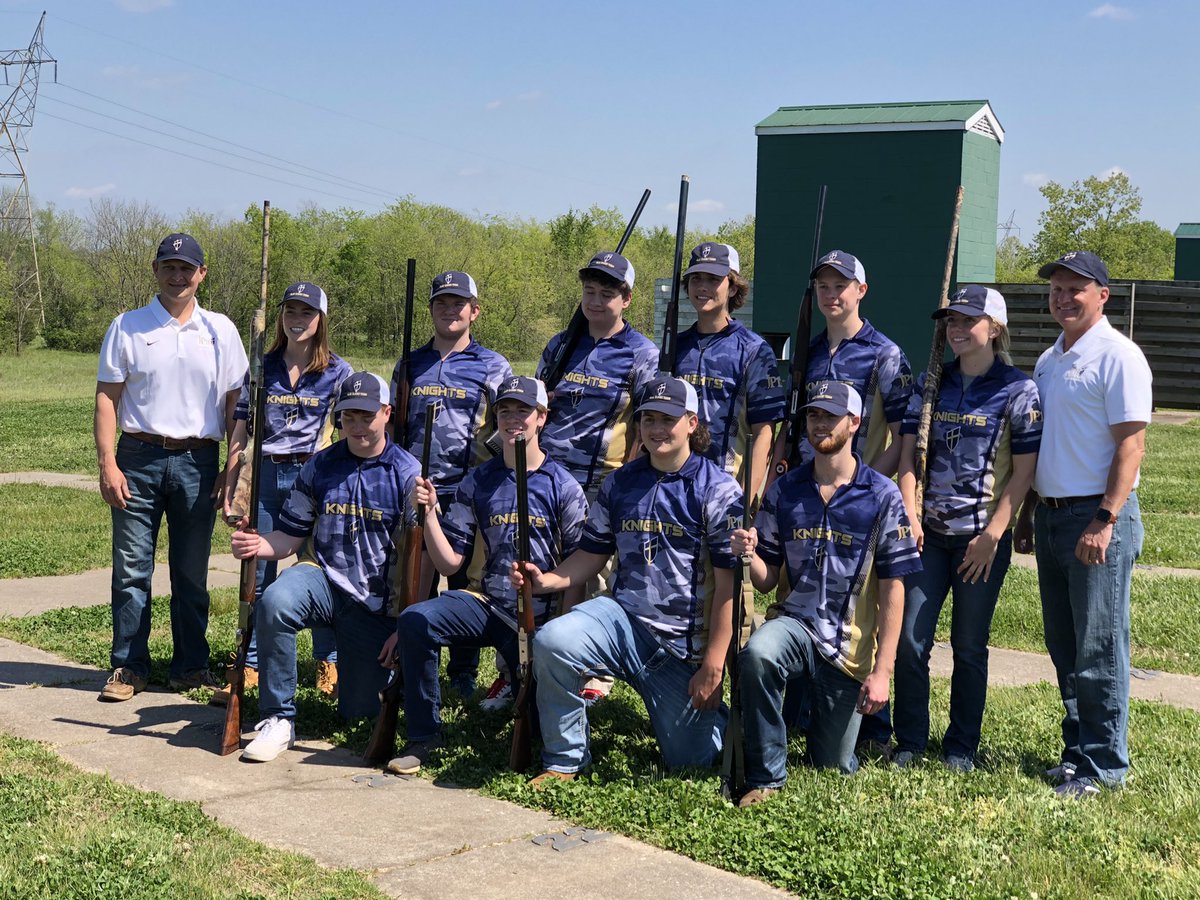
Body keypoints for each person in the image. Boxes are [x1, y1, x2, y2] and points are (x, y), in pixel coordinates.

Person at [513, 376, 742, 784]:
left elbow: (729, 587)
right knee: (551, 641)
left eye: (668, 419)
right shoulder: (620, 482)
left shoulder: (719, 489)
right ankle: (564, 760)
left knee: (692, 761)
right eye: (648, 419)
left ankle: (722, 722)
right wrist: (547, 580)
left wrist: (713, 664)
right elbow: (592, 553)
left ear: (691, 423)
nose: (656, 429)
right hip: (621, 621)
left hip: (679, 651)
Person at [384, 376, 588, 774]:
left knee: (539, 729)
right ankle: (424, 736)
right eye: (504, 411)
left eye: (523, 411)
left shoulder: (564, 486)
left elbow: (576, 571)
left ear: (542, 418)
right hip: (488, 606)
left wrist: (564, 637)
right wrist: (430, 514)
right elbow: (449, 564)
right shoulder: (478, 480)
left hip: (539, 623)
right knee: (415, 620)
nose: (513, 419)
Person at [732, 382, 921, 805]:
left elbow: (894, 587)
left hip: (848, 652)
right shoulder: (785, 490)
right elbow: (766, 579)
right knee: (759, 653)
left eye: (830, 416)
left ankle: (820, 729)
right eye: (814, 415)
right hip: (795, 625)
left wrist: (882, 672)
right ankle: (766, 776)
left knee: (831, 765)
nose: (820, 424)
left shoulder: (882, 495)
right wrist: (750, 553)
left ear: (854, 423)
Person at [1013, 251, 1151, 798]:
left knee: (1099, 645)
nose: (1064, 298)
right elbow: (1044, 444)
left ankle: (1103, 765)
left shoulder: (1119, 356)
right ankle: (1076, 754)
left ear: (1103, 296)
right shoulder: (1050, 360)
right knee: (1065, 644)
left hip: (1095, 516)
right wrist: (1029, 512)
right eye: (1057, 289)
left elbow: (1131, 446)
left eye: (1076, 288)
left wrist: (1105, 518)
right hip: (1052, 516)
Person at [229, 373, 419, 762]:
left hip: (374, 604)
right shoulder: (320, 465)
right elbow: (290, 536)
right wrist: (258, 544)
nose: (358, 426)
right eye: (349, 417)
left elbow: (422, 559)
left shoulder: (407, 472)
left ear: (387, 413)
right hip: (323, 580)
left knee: (360, 713)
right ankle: (278, 718)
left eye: (366, 416)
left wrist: (405, 624)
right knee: (275, 602)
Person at [893, 286, 1042, 772]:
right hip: (928, 536)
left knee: (969, 645)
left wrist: (993, 535)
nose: (956, 329)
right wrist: (910, 513)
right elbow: (908, 457)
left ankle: (960, 747)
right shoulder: (931, 382)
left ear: (994, 329)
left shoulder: (1018, 390)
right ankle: (910, 740)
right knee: (911, 641)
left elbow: (1024, 473)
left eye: (967, 320)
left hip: (981, 540)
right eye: (951, 321)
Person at [95, 233, 248, 702]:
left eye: (186, 268)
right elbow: (107, 398)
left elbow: (236, 407)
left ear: (202, 273)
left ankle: (190, 668)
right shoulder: (127, 326)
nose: (177, 276)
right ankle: (129, 667)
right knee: (131, 570)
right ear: (155, 269)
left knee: (191, 572)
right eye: (169, 267)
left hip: (198, 462)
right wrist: (107, 462)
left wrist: (231, 467)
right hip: (138, 458)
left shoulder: (221, 330)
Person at [792, 249, 915, 750]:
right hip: (808, 497)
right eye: (822, 285)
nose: (831, 294)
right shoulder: (807, 350)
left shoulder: (886, 354)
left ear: (861, 291)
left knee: (865, 610)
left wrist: (870, 487)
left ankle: (875, 724)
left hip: (864, 497)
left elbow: (905, 436)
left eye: (840, 285)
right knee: (808, 600)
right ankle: (806, 711)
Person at [212, 282, 352, 705]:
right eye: (290, 311)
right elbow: (241, 428)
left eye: (306, 313)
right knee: (257, 571)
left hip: (315, 478)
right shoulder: (262, 366)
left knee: (320, 570)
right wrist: (233, 480)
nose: (297, 320)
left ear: (321, 320)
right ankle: (251, 663)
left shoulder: (339, 372)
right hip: (266, 476)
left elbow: (350, 433)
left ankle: (328, 662)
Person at [534, 250, 659, 705]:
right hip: (549, 478)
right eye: (589, 291)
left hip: (602, 481)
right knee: (547, 570)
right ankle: (530, 663)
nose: (596, 301)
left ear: (626, 300)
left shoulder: (641, 353)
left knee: (597, 576)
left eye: (607, 293)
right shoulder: (560, 345)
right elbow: (536, 406)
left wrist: (629, 479)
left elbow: (647, 420)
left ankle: (595, 671)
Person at [389, 270, 513, 702]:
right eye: (441, 303)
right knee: (413, 583)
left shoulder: (493, 365)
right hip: (418, 491)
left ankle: (462, 674)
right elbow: (394, 429)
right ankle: (412, 667)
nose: (449, 310)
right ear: (431, 310)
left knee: (463, 585)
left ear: (474, 311)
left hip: (468, 495)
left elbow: (506, 427)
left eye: (458, 303)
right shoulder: (410, 364)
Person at [674, 241, 785, 485]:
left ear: (733, 288)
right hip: (674, 487)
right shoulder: (675, 346)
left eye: (713, 279)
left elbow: (764, 434)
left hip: (725, 489)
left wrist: (745, 499)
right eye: (696, 279)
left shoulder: (754, 350)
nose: (702, 287)